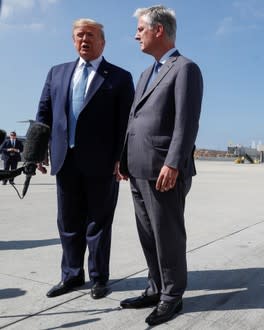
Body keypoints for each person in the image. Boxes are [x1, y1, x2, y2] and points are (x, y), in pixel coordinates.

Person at [35, 18, 134, 299]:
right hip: (65, 160)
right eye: (79, 35)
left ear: (103, 42)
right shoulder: (57, 73)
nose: (84, 40)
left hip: (102, 163)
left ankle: (99, 278)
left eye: (90, 35)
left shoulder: (119, 77)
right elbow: (43, 115)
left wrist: (121, 159)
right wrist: (37, 153)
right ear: (72, 40)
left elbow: (127, 123)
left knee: (99, 223)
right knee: (67, 222)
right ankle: (71, 275)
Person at [119, 5, 203, 326]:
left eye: (141, 29)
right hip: (138, 169)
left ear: (158, 31)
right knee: (147, 235)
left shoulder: (185, 69)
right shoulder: (146, 73)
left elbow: (186, 122)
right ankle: (155, 287)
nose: (136, 34)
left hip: (165, 171)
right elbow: (133, 120)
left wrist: (174, 163)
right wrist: (123, 159)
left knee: (167, 235)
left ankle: (172, 297)